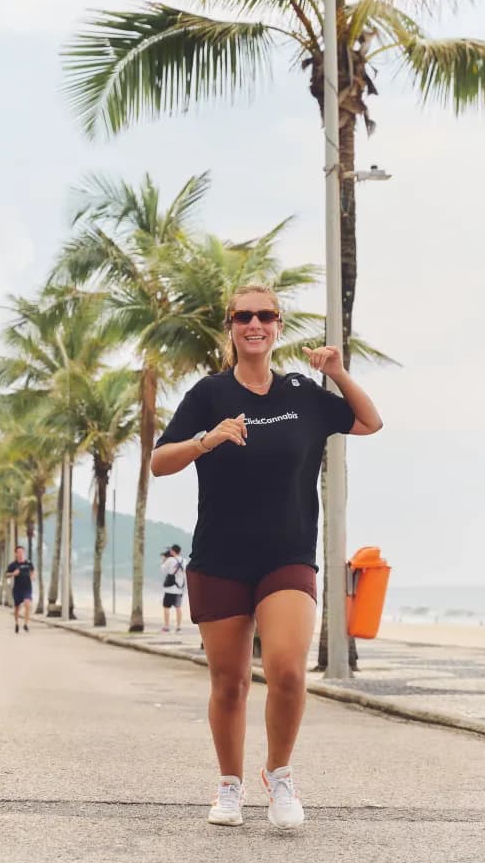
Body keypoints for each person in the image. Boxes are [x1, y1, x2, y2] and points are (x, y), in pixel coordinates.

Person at [151, 284, 383, 831]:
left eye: (265, 315)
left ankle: (279, 776)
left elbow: (369, 422)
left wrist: (339, 373)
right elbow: (160, 462)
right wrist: (206, 441)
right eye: (243, 316)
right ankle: (228, 785)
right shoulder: (208, 394)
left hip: (287, 555)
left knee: (286, 671)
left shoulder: (303, 393)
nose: (254, 324)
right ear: (230, 327)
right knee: (229, 683)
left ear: (278, 326)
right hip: (221, 558)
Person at [5, 545, 36, 634]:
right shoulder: (13, 565)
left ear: (24, 553)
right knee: (17, 608)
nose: (20, 554)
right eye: (18, 552)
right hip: (17, 589)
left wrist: (33, 576)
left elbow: (32, 571)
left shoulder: (28, 563)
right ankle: (16, 623)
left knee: (28, 605)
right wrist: (13, 574)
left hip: (27, 588)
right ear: (15, 554)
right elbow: (6, 575)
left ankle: (26, 624)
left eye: (22, 552)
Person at [160, 544, 185, 632]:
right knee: (178, 608)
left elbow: (163, 570)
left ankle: (167, 626)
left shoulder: (170, 560)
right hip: (179, 588)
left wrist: (164, 560)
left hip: (170, 589)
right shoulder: (183, 560)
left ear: (172, 551)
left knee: (166, 607)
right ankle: (178, 627)